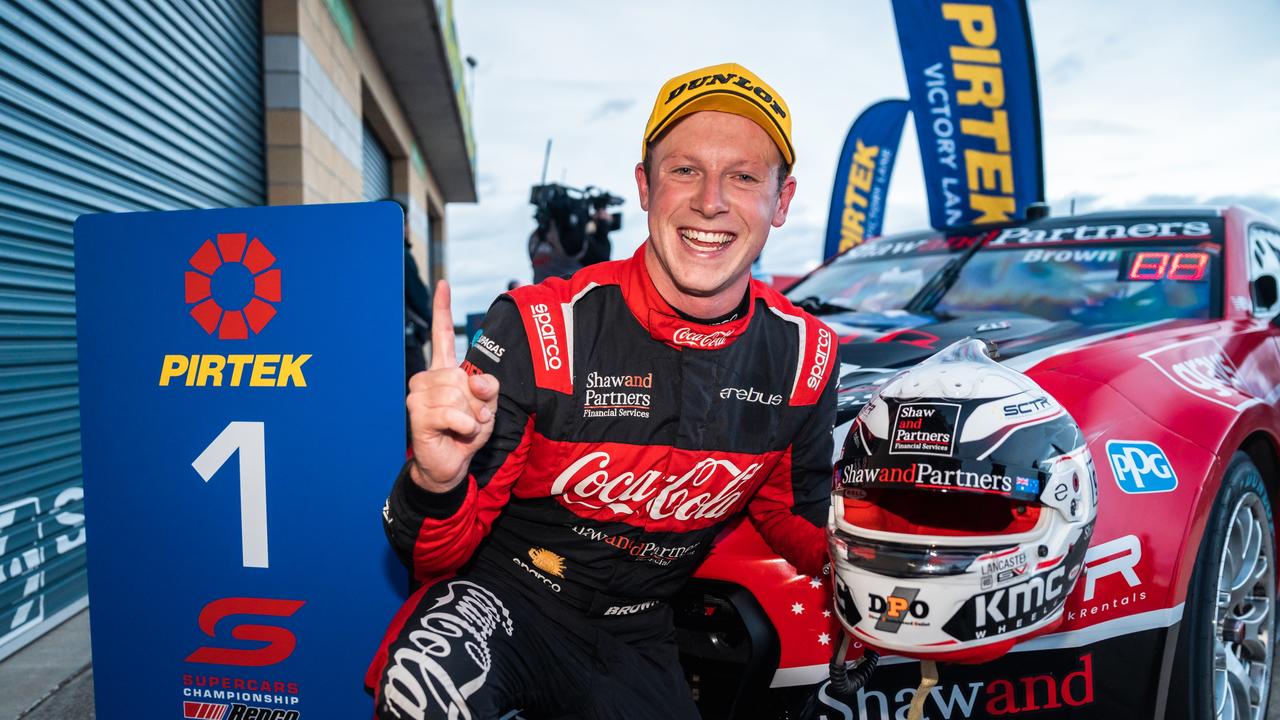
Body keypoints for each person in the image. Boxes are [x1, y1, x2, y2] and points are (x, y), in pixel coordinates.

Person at [368, 62, 837, 719]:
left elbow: (794, 513)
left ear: (781, 202)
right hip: (506, 596)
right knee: (424, 691)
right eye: (684, 170)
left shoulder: (804, 355)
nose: (710, 201)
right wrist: (435, 479)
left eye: (744, 175)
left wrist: (879, 546)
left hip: (637, 630)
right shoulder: (542, 324)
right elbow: (431, 552)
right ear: (645, 187)